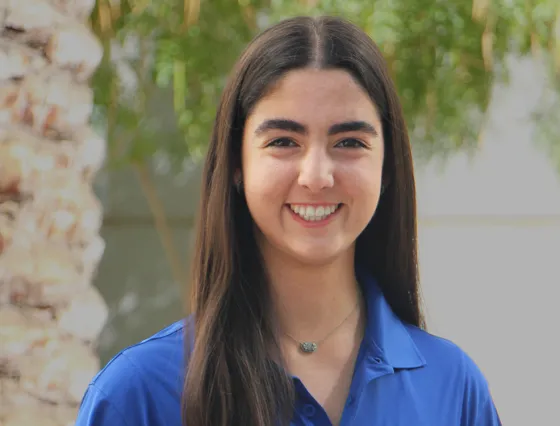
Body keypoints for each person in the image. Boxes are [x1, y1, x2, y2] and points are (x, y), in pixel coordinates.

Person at [75, 15, 502, 426]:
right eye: (283, 141)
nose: (316, 176)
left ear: (387, 166)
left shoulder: (452, 388)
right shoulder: (139, 394)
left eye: (349, 142)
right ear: (237, 164)